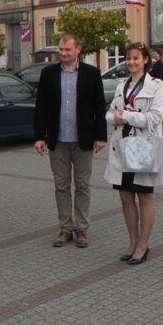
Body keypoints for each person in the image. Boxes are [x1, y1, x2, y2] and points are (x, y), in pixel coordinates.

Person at [104, 42, 163, 265]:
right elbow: (109, 113)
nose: (131, 61)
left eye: (136, 57)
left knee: (144, 196)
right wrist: (114, 116)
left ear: (145, 60)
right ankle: (133, 241)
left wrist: (124, 115)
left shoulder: (156, 86)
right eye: (128, 57)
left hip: (142, 145)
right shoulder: (121, 85)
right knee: (125, 196)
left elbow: (154, 118)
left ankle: (143, 245)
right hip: (121, 145)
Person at [33, 33, 107, 248]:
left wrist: (101, 136)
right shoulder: (48, 74)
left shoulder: (92, 74)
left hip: (83, 140)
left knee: (82, 186)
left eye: (67, 50)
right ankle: (65, 229)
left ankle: (81, 229)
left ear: (78, 50)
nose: (63, 53)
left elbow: (99, 107)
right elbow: (41, 108)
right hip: (58, 141)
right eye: (61, 50)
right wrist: (39, 136)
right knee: (62, 186)